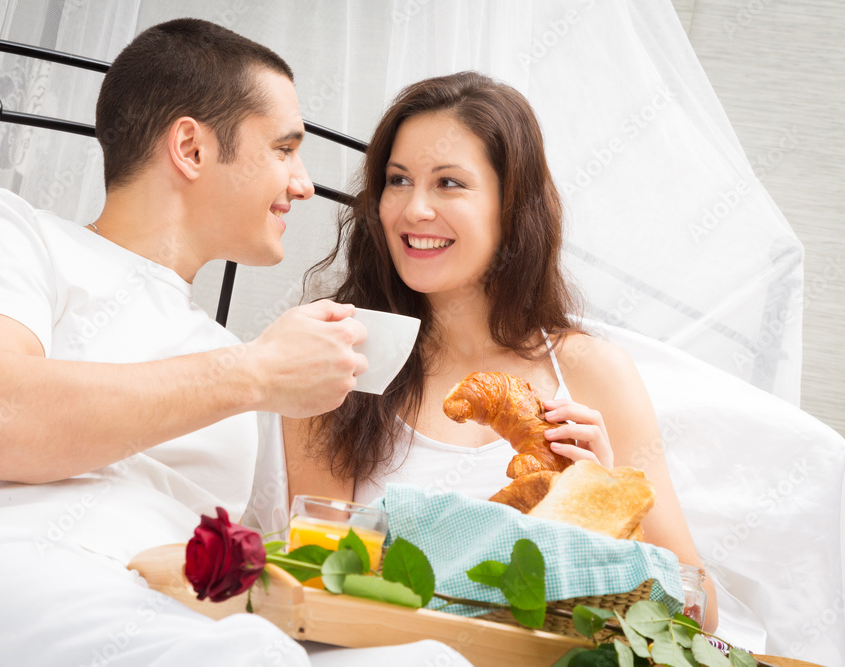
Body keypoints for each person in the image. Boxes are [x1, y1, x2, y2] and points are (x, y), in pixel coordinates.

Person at [0, 19, 468, 667]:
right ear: (191, 148)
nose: (304, 183)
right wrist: (256, 373)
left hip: (157, 614)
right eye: (285, 149)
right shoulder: (11, 233)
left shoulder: (227, 355)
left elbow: (283, 562)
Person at [283, 71, 719, 633]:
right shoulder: (342, 354)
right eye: (397, 180)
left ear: (511, 207)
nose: (413, 209)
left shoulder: (592, 373)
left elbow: (699, 615)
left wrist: (612, 507)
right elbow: (319, 585)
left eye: (449, 184)